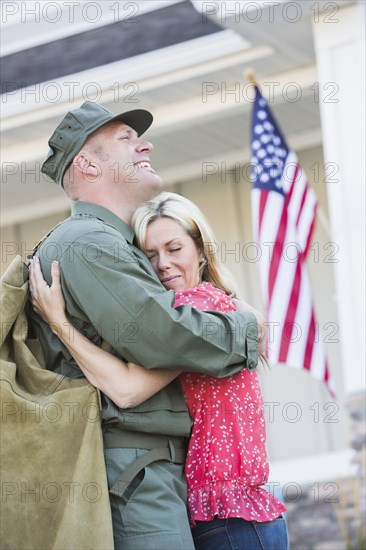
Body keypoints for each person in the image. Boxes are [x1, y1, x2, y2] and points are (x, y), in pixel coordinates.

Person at [29, 101, 264, 550]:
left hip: (147, 466)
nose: (145, 144)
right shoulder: (87, 243)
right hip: (134, 468)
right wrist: (247, 328)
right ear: (87, 163)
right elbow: (166, 336)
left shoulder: (110, 243)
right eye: (126, 139)